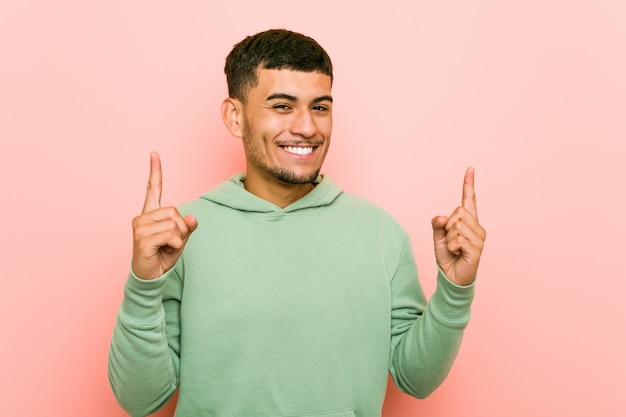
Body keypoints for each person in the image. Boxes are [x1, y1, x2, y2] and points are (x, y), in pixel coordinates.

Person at [108, 29, 486, 417]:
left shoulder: (381, 234)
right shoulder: (179, 236)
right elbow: (140, 400)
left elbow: (415, 379)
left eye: (320, 107)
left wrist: (455, 289)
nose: (307, 127)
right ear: (235, 116)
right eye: (283, 106)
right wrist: (144, 285)